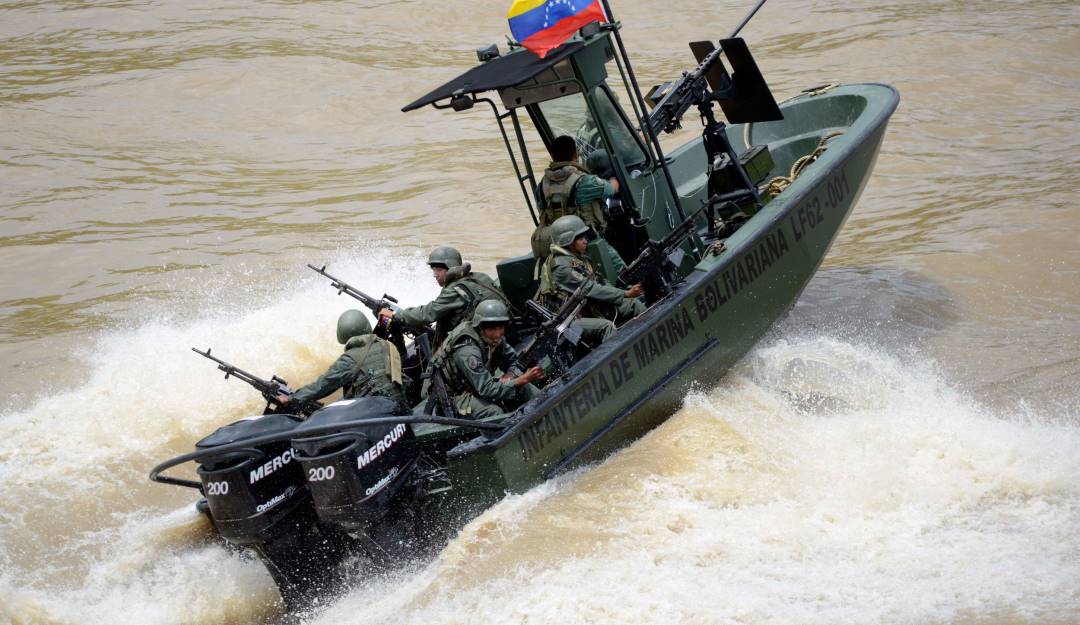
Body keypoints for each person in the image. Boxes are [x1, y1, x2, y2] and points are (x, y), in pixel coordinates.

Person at [426, 300, 544, 420]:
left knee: (525, 387)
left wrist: (510, 375)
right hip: (452, 397)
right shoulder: (467, 350)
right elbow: (487, 390)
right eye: (492, 329)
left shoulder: (493, 338)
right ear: (481, 327)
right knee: (494, 413)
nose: (498, 334)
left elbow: (513, 361)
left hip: (475, 385)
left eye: (500, 328)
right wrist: (520, 380)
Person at [378, 245, 510, 351]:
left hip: (482, 341)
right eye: (433, 270)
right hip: (500, 329)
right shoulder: (479, 277)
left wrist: (395, 315)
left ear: (451, 268)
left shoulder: (454, 291)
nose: (435, 275)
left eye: (439, 270)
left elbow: (427, 313)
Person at [537, 215, 645, 341]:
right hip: (567, 325)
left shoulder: (578, 258)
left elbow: (600, 281)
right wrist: (625, 293)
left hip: (586, 310)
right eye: (580, 238)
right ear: (569, 241)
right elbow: (590, 289)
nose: (585, 241)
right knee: (606, 327)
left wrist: (624, 292)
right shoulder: (561, 267)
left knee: (633, 304)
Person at [277, 309, 406, 411]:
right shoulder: (386, 344)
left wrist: (292, 399)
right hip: (401, 407)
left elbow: (322, 386)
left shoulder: (350, 360)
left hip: (380, 416)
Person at [534, 135, 626, 273]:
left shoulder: (542, 186)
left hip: (557, 244)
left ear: (552, 156)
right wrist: (613, 177)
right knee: (623, 271)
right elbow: (612, 189)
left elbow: (543, 212)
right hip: (586, 240)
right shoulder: (585, 181)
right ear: (576, 154)